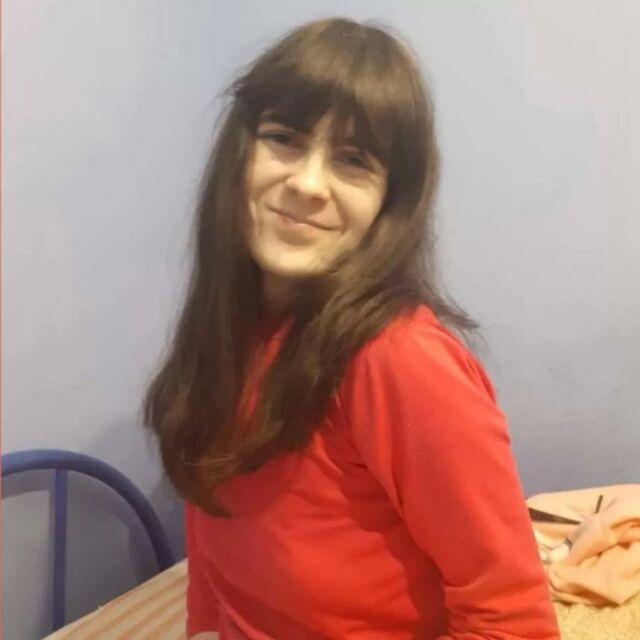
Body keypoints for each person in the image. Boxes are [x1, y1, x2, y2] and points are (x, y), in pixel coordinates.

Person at [143, 16, 561, 640]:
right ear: (238, 153)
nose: (308, 184)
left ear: (389, 201)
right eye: (283, 138)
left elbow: (513, 622)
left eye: (353, 160)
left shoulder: (401, 361)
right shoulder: (223, 331)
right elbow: (213, 531)